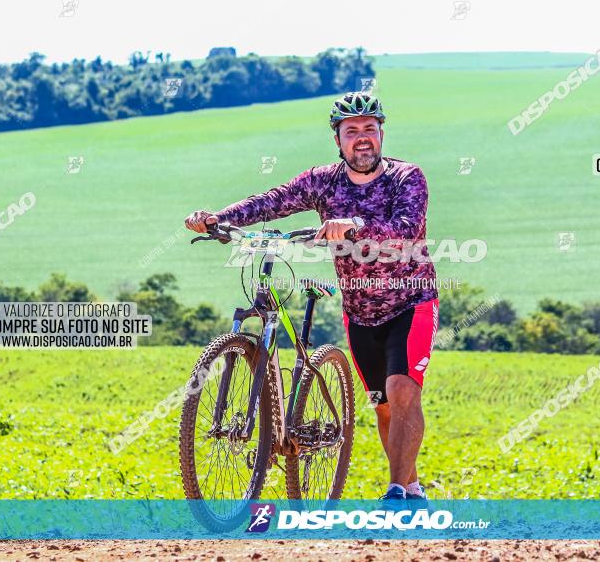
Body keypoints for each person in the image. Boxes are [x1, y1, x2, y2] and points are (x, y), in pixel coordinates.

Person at [185, 91, 439, 501]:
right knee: (384, 407)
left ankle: (395, 493)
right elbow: (272, 200)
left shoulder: (406, 178)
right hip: (359, 310)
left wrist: (354, 223)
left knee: (402, 390)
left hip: (410, 303)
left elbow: (405, 229)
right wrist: (219, 218)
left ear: (381, 135)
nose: (362, 138)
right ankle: (412, 486)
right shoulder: (324, 181)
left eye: (369, 130)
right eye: (351, 130)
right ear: (337, 139)